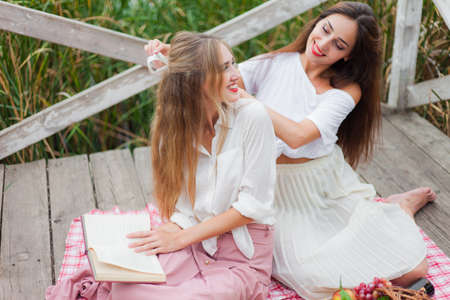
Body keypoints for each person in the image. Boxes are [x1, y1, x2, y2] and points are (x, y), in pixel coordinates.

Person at [145, 2, 437, 299]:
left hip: (316, 188)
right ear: (316, 24)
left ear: (348, 54)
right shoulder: (276, 62)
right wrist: (180, 56)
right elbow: (218, 77)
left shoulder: (347, 91)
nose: (323, 44)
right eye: (324, 30)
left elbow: (298, 136)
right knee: (311, 277)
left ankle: (400, 209)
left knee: (410, 270)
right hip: (271, 185)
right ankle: (389, 209)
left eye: (338, 44)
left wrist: (248, 99)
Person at [46, 31, 277, 300]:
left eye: (232, 63)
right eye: (223, 68)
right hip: (196, 243)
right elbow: (185, 207)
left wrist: (181, 238)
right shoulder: (177, 131)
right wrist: (174, 229)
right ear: (195, 81)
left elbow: (253, 206)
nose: (236, 74)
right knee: (124, 285)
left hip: (240, 259)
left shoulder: (253, 117)